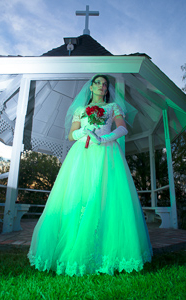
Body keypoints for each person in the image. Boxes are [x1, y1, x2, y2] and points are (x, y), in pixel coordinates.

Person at [27, 75, 153, 277]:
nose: (102, 86)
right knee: (79, 195)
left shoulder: (113, 107)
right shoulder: (80, 110)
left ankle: (107, 250)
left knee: (106, 196)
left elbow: (122, 128)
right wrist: (84, 132)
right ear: (91, 87)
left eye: (105, 84)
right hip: (82, 155)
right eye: (98, 83)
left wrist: (103, 139)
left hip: (106, 153)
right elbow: (71, 135)